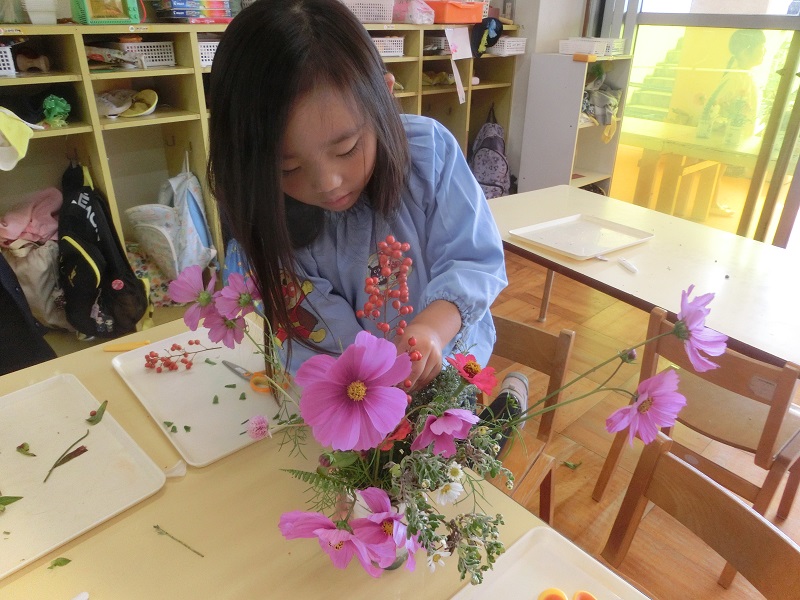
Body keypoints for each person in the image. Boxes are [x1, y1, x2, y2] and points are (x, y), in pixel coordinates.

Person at [207, 0, 523, 416]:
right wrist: (375, 394)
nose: (327, 184)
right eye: (288, 167)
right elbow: (323, 338)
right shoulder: (270, 216)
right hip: (348, 393)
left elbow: (473, 260)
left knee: (449, 451)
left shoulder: (428, 154)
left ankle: (506, 407)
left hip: (444, 360)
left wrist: (428, 328)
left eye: (347, 148)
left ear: (384, 98)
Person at [698, 29, 767, 217]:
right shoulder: (734, 77)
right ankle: (708, 203)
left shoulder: (745, 75)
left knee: (719, 168)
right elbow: (715, 104)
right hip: (725, 135)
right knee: (714, 168)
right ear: (745, 52)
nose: (764, 52)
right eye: (761, 49)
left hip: (735, 133)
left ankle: (712, 202)